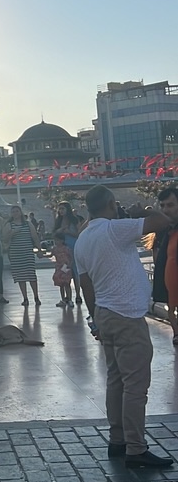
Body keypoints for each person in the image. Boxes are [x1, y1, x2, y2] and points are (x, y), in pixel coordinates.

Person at [74, 184, 173, 468]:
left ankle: (117, 439)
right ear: (109, 203)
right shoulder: (115, 230)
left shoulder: (83, 239)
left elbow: (85, 285)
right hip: (128, 316)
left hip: (105, 313)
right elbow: (163, 222)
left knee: (116, 379)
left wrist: (94, 318)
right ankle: (136, 447)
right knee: (135, 385)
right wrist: (140, 210)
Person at [152, 186, 178, 345]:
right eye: (162, 206)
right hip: (170, 281)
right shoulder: (164, 230)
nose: (165, 210)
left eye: (170, 205)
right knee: (171, 308)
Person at [2, 205, 41, 307]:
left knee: (31, 275)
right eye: (13, 212)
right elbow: (5, 239)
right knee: (20, 277)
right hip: (16, 253)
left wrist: (39, 249)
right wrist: (12, 233)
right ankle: (25, 298)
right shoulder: (9, 225)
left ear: (20, 212)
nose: (15, 213)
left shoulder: (28, 224)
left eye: (17, 211)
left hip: (27, 253)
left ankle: (36, 297)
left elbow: (35, 237)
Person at [53, 202, 84, 305]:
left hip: (73, 247)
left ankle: (78, 294)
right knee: (64, 272)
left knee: (75, 272)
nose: (61, 211)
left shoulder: (74, 220)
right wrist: (60, 231)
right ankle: (66, 296)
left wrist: (68, 232)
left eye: (63, 209)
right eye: (60, 209)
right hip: (62, 251)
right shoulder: (58, 221)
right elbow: (54, 233)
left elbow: (79, 233)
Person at [49, 233, 74, 307]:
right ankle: (63, 299)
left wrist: (70, 265)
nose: (56, 242)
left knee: (67, 284)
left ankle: (69, 299)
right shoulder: (55, 249)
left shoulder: (66, 249)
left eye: (58, 240)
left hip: (66, 267)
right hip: (59, 268)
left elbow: (71, 257)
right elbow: (50, 255)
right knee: (61, 285)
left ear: (62, 240)